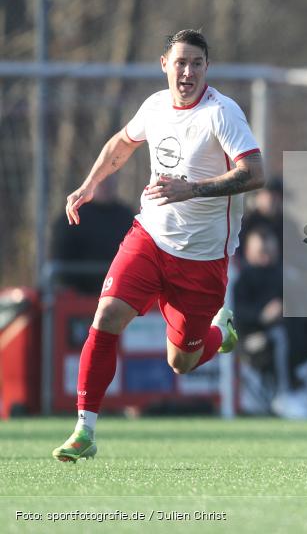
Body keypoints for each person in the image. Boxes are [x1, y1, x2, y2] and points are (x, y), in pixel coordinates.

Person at [52, 29, 264, 462]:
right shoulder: (153, 106)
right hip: (149, 237)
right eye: (180, 62)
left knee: (181, 362)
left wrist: (193, 189)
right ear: (165, 64)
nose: (188, 72)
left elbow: (255, 173)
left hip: (203, 259)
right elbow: (122, 143)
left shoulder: (221, 113)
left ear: (207, 68)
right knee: (106, 316)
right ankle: (84, 430)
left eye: (197, 64)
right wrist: (89, 184)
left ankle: (220, 333)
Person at [233, 225, 307, 420]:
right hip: (260, 344)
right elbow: (238, 314)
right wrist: (262, 315)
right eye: (261, 251)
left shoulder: (286, 276)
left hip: (297, 339)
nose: (266, 255)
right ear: (248, 251)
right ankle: (285, 393)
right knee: (280, 332)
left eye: (269, 250)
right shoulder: (242, 280)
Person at [50, 176, 135, 295]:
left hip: (117, 291)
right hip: (80, 293)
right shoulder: (75, 213)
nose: (107, 186)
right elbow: (61, 254)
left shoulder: (126, 216)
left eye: (110, 181)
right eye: (103, 182)